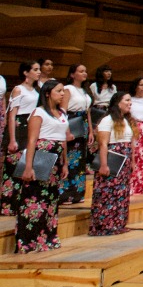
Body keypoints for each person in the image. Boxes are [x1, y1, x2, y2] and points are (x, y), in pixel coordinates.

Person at [15, 80, 68, 252]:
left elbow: (63, 139)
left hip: (56, 161)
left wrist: (65, 163)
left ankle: (47, 237)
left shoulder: (61, 113)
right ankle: (29, 240)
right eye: (59, 91)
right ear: (47, 93)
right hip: (41, 157)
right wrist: (28, 166)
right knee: (34, 199)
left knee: (50, 200)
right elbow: (31, 140)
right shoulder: (39, 112)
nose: (62, 94)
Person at [89, 90, 136, 235]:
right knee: (107, 192)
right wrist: (104, 164)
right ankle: (105, 225)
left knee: (121, 192)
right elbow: (103, 144)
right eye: (127, 100)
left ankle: (118, 223)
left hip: (125, 159)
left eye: (130, 100)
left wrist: (132, 161)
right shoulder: (107, 120)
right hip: (112, 158)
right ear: (117, 103)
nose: (130, 103)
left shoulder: (126, 120)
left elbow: (130, 142)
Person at [2, 61, 41, 216]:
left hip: (30, 126)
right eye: (35, 69)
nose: (38, 72)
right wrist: (12, 139)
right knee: (12, 168)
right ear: (26, 72)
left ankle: (20, 202)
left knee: (25, 165)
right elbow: (11, 116)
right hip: (19, 127)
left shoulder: (36, 91)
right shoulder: (19, 89)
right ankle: (7, 204)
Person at [60, 62, 92, 204]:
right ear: (72, 74)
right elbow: (63, 110)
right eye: (81, 71)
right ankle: (66, 193)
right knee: (70, 158)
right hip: (72, 121)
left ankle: (77, 193)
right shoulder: (68, 89)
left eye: (85, 71)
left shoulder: (85, 91)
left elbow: (88, 111)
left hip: (83, 122)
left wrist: (90, 130)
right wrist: (66, 129)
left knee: (80, 160)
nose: (84, 73)